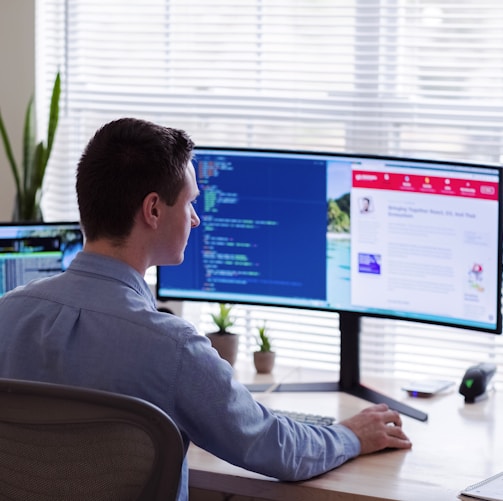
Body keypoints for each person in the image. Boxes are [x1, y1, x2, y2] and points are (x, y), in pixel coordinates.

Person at [0, 118, 411, 500]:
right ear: (154, 210)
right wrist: (353, 435)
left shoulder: (7, 314)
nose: (196, 220)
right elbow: (276, 449)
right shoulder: (171, 348)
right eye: (190, 203)